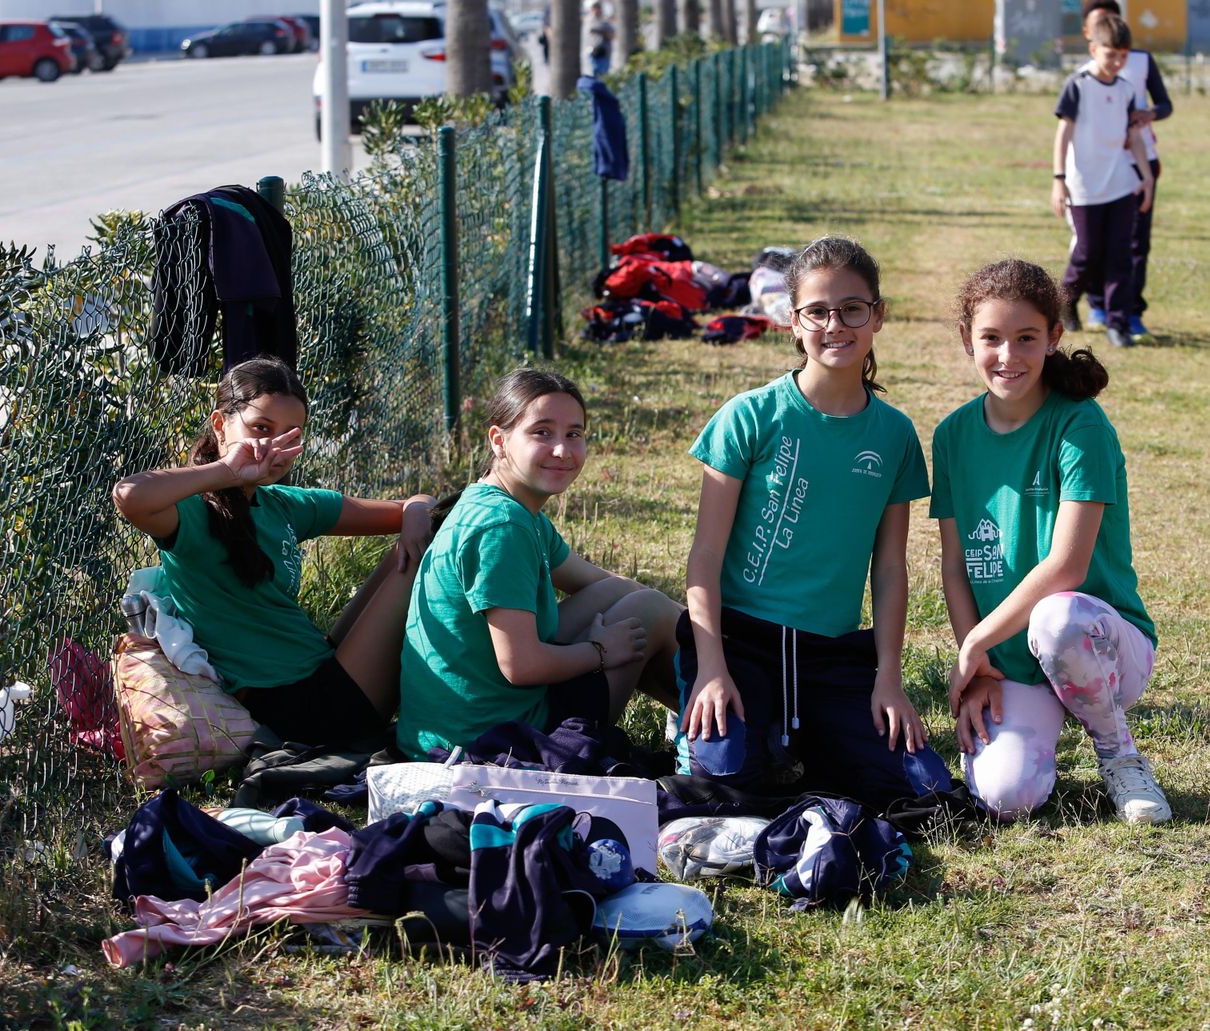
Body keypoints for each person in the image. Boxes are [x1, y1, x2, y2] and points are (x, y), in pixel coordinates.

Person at [678, 236, 948, 811]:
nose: (836, 324)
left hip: (831, 652)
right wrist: (710, 667)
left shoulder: (895, 434)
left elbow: (891, 567)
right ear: (792, 322)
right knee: (723, 787)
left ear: (877, 315)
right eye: (817, 311)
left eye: (852, 308)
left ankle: (808, 745)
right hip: (739, 640)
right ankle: (762, 747)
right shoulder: (748, 416)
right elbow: (704, 557)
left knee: (924, 792)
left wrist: (889, 679)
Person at [934, 259, 1168, 825]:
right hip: (1009, 660)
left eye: (1026, 338)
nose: (1008, 356)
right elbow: (956, 565)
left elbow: (1066, 566)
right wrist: (980, 665)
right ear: (968, 339)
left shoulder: (1080, 425)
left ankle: (1120, 757)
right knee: (1005, 798)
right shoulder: (951, 436)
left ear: (1054, 338)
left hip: (1100, 644)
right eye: (991, 338)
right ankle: (1038, 728)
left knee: (1056, 618)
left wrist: (970, 647)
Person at [112, 356, 435, 747]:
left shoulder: (282, 504)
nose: (275, 448)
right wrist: (228, 470)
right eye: (261, 429)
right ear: (220, 425)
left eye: (291, 435)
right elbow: (129, 496)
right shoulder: (193, 513)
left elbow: (408, 509)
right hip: (305, 711)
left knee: (419, 539)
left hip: (323, 669)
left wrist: (419, 509)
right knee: (420, 553)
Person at [395, 368, 681, 759]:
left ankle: (712, 703)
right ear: (499, 440)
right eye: (542, 432)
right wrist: (599, 651)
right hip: (491, 745)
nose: (562, 449)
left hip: (459, 728)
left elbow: (603, 583)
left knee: (630, 594)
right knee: (648, 611)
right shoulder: (502, 527)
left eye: (574, 434)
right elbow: (521, 665)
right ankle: (733, 728)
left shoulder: (506, 506)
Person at [1051, 12, 1153, 350]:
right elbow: (1062, 133)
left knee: (1120, 256)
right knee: (1087, 252)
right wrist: (1059, 179)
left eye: (1123, 56)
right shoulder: (1078, 85)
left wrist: (1146, 176)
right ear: (1093, 48)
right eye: (1111, 54)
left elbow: (1133, 137)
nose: (1117, 62)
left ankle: (1118, 323)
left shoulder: (1125, 90)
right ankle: (1064, 302)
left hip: (1121, 185)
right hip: (1084, 187)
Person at [1077, 0, 1172, 341]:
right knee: (1095, 243)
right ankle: (1097, 304)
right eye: (1098, 23)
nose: (1108, 26)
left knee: (1135, 243)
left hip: (1139, 161)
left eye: (1111, 19)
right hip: (1100, 169)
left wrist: (1149, 115)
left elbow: (1164, 104)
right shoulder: (1083, 75)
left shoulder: (1140, 62)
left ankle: (1131, 311)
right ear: (1089, 34)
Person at [584, 1, 615, 76]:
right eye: (594, 8)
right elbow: (591, 30)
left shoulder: (605, 20)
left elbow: (612, 35)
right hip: (593, 52)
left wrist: (602, 32)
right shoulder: (589, 20)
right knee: (595, 73)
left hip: (605, 52)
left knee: (604, 75)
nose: (596, 10)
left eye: (598, 8)